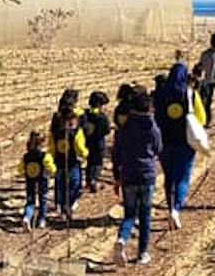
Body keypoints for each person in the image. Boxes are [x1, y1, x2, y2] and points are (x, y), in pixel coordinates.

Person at [111, 86, 162, 265]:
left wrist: (117, 175)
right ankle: (142, 254)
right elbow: (158, 148)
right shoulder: (152, 127)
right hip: (147, 175)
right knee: (145, 215)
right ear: (148, 108)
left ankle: (122, 239)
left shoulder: (124, 129)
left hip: (129, 176)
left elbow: (116, 153)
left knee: (129, 214)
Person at [155, 61, 206, 230]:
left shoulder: (159, 94)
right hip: (185, 143)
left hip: (164, 143)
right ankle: (176, 209)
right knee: (182, 178)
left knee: (169, 177)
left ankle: (170, 206)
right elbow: (201, 118)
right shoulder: (190, 94)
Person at [50, 102, 89, 225]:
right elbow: (80, 149)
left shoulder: (55, 133)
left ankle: (60, 206)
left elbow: (51, 149)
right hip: (72, 163)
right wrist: (86, 154)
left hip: (58, 163)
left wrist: (51, 162)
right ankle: (69, 205)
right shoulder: (76, 133)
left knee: (60, 185)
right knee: (75, 185)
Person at [18, 129, 56, 229]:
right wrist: (52, 172)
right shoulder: (45, 156)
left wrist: (24, 173)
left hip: (30, 179)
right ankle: (42, 220)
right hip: (42, 180)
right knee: (43, 199)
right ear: (43, 143)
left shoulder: (26, 156)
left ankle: (27, 217)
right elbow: (51, 168)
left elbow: (20, 169)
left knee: (30, 200)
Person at [81, 92, 111, 192]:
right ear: (99, 104)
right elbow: (107, 130)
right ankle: (94, 181)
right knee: (98, 163)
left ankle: (89, 180)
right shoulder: (101, 117)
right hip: (98, 143)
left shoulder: (85, 114)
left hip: (88, 142)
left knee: (90, 162)